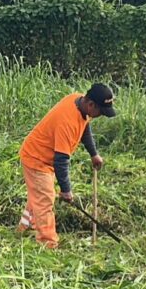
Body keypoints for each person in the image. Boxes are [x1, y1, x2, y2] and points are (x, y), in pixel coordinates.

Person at [18, 83, 114, 248]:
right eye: (101, 112)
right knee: (45, 199)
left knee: (39, 195)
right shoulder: (67, 122)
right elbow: (61, 160)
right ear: (91, 104)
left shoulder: (78, 102)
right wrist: (66, 190)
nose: (101, 116)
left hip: (44, 157)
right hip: (37, 158)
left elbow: (85, 127)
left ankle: (25, 226)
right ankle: (48, 244)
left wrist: (93, 154)